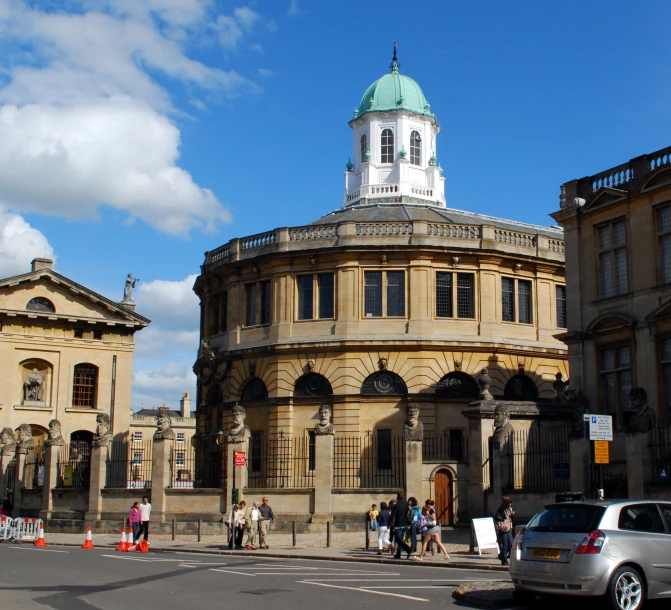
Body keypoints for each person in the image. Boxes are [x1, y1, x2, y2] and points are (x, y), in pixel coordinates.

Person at [389, 491, 412, 560]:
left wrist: (389, 523)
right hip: (404, 524)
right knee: (401, 540)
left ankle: (408, 549)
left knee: (397, 539)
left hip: (398, 524)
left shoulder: (397, 505)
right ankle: (398, 554)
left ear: (397, 496)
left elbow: (393, 515)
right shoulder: (406, 504)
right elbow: (407, 514)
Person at [494, 496, 514, 566]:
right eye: (509, 503)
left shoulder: (510, 509)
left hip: (509, 527)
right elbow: (497, 517)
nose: (510, 504)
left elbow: (510, 518)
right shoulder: (501, 509)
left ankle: (502, 556)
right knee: (505, 545)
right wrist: (504, 519)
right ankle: (504, 561)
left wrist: (512, 515)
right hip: (503, 528)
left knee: (511, 544)